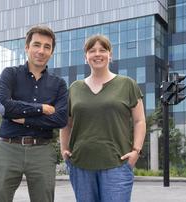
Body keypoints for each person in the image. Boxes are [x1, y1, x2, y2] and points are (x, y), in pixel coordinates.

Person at [60, 35, 146, 202]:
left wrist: (136, 151)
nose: (97, 54)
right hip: (80, 165)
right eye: (92, 51)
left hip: (117, 165)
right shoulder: (74, 88)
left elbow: (139, 121)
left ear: (110, 55)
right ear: (86, 57)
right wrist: (64, 151)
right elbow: (66, 124)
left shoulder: (127, 84)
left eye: (102, 50)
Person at [0, 25, 68, 202]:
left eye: (47, 47)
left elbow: (61, 119)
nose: (41, 51)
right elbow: (6, 106)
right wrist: (41, 108)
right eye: (36, 45)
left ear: (52, 52)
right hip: (8, 148)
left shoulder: (59, 84)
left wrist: (23, 117)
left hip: (42, 150)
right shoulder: (10, 74)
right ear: (27, 47)